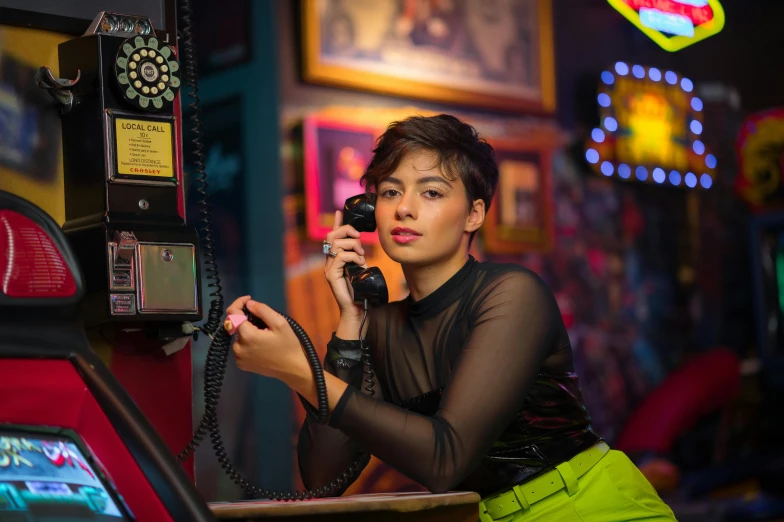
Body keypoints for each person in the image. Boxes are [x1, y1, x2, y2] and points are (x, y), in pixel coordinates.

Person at [227, 114, 677, 521]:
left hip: (589, 506)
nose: (404, 207)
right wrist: (349, 324)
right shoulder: (380, 325)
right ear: (367, 214)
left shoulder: (513, 294)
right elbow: (325, 476)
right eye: (389, 191)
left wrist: (301, 373)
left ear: (474, 214)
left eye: (432, 192)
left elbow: (445, 459)